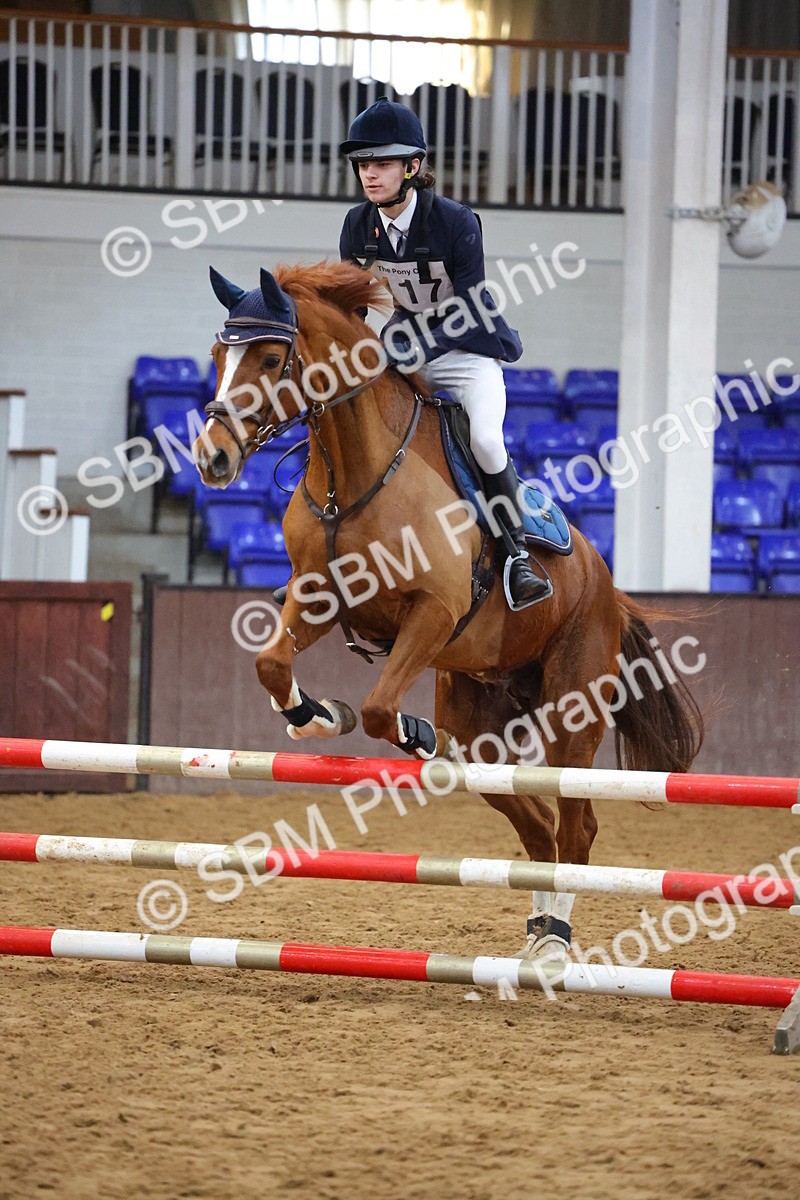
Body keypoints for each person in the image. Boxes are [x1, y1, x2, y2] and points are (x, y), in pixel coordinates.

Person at [338, 96, 550, 609]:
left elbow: (471, 307)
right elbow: (358, 307)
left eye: (382, 163)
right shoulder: (355, 225)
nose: (370, 175)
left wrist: (410, 346)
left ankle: (517, 555)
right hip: (398, 350)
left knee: (485, 440)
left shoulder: (457, 222)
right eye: (364, 164)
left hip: (465, 354)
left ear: (413, 167)